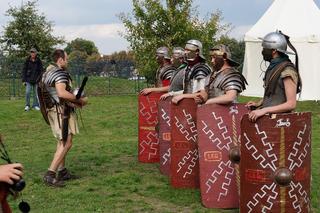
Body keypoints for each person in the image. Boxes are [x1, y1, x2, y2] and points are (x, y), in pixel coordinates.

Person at [40, 49, 87, 187]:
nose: (67, 61)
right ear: (60, 60)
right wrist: (79, 100)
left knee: (62, 140)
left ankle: (62, 171)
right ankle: (50, 174)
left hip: (53, 110)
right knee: (66, 142)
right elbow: (61, 93)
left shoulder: (47, 72)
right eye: (66, 59)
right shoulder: (59, 73)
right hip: (61, 111)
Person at [245, 31, 302, 122]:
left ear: (274, 50)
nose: (263, 51)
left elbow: (291, 104)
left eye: (265, 48)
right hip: (270, 120)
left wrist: (264, 110)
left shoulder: (287, 70)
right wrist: (259, 104)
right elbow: (274, 95)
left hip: (282, 122)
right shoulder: (273, 67)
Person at [171, 39, 211, 104]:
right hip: (189, 106)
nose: (185, 52)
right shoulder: (189, 68)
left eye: (188, 50)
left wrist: (182, 96)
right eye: (185, 50)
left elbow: (202, 94)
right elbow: (188, 91)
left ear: (197, 51)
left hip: (199, 108)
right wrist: (171, 94)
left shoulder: (201, 69)